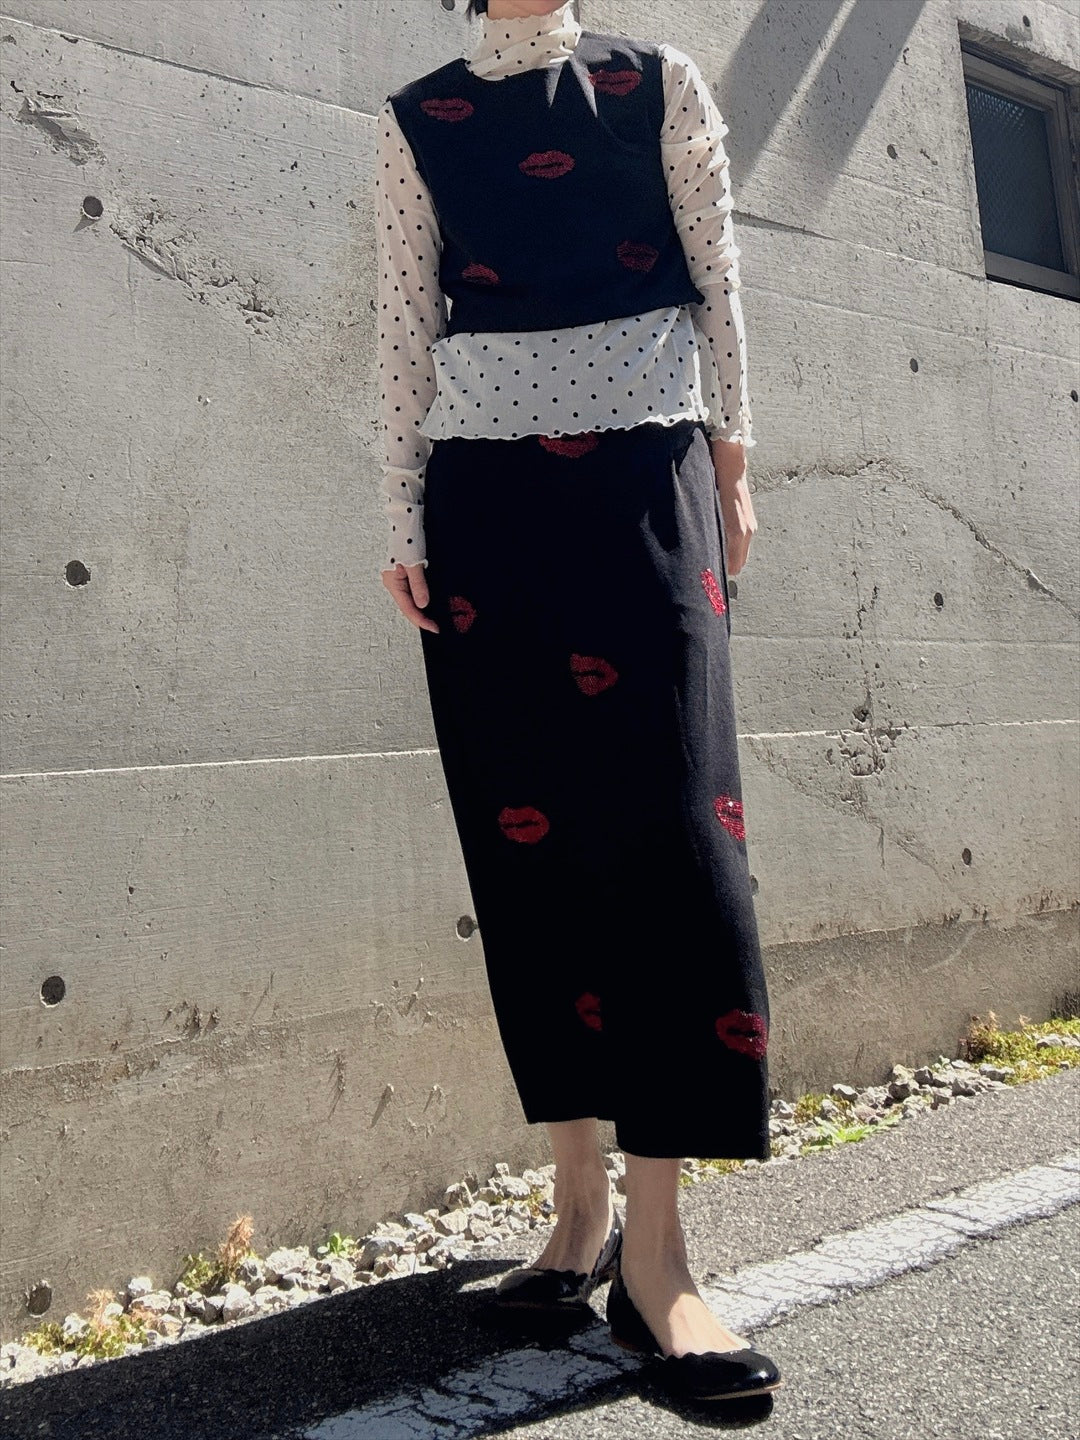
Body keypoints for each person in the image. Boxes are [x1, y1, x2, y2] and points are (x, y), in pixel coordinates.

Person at [375, 0, 781, 1404]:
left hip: (644, 472)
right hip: (484, 499)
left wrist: (734, 454)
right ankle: (576, 1214)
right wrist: (399, 511)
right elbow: (402, 319)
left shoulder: (657, 83)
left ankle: (658, 1259)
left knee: (674, 830)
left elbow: (717, 272)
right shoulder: (417, 118)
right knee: (523, 833)